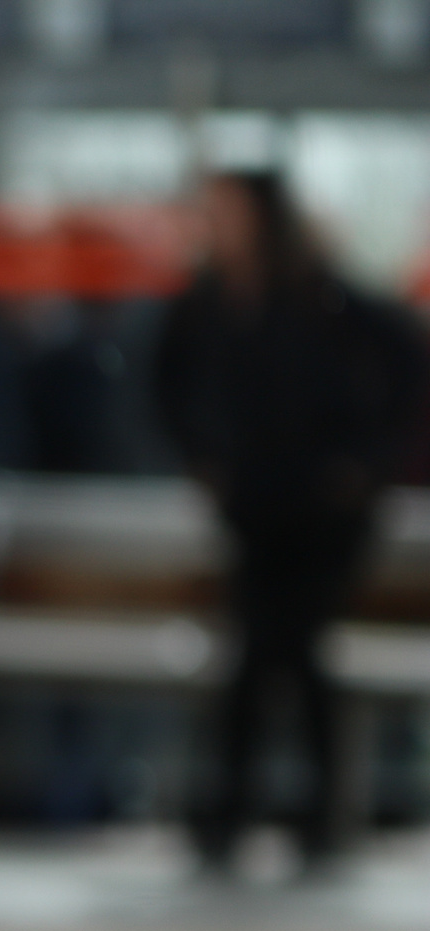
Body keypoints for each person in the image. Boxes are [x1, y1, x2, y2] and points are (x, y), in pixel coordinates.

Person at [151, 170, 427, 874]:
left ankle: (250, 813)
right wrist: (204, 457)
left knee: (278, 650)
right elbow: (164, 383)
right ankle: (291, 816)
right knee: (278, 653)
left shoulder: (319, 296)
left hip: (322, 513)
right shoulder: (210, 302)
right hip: (256, 510)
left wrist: (365, 466)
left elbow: (406, 363)